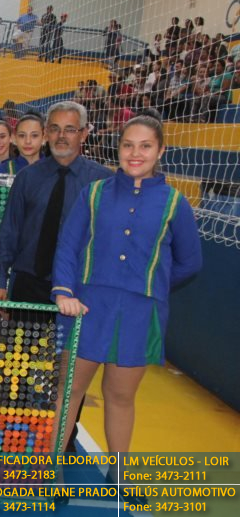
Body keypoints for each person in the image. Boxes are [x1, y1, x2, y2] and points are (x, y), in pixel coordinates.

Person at [54, 110, 202, 491]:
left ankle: (118, 476)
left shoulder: (175, 203)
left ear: (160, 151)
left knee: (120, 396)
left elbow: (190, 262)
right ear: (118, 149)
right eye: (128, 145)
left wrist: (150, 288)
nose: (136, 154)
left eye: (145, 146)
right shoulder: (94, 194)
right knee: (68, 391)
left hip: (138, 315)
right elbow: (68, 246)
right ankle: (50, 469)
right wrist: (64, 291)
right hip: (86, 308)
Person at [0, 101, 113, 453]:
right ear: (46, 133)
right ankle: (15, 436)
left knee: (68, 372)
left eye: (70, 129)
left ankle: (62, 439)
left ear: (84, 134)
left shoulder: (102, 182)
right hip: (28, 283)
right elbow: (9, 233)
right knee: (19, 364)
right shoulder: (28, 178)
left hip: (76, 291)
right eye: (55, 128)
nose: (62, 136)